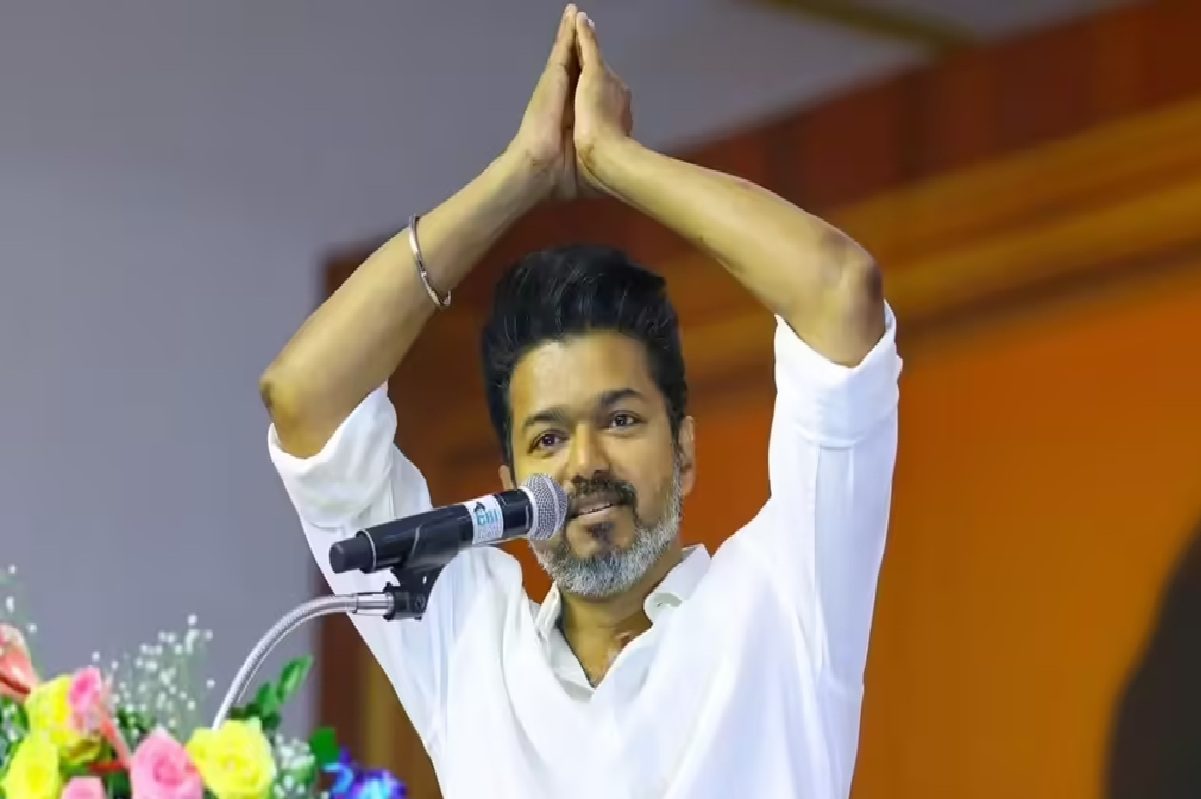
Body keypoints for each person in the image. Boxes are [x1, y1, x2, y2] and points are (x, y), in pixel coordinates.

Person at [260, 6, 900, 798]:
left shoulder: (783, 601)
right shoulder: (470, 641)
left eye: (621, 419)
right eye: (548, 438)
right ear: (509, 480)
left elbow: (839, 290)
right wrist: (519, 174)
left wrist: (614, 160)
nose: (585, 463)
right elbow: (303, 397)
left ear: (684, 449)